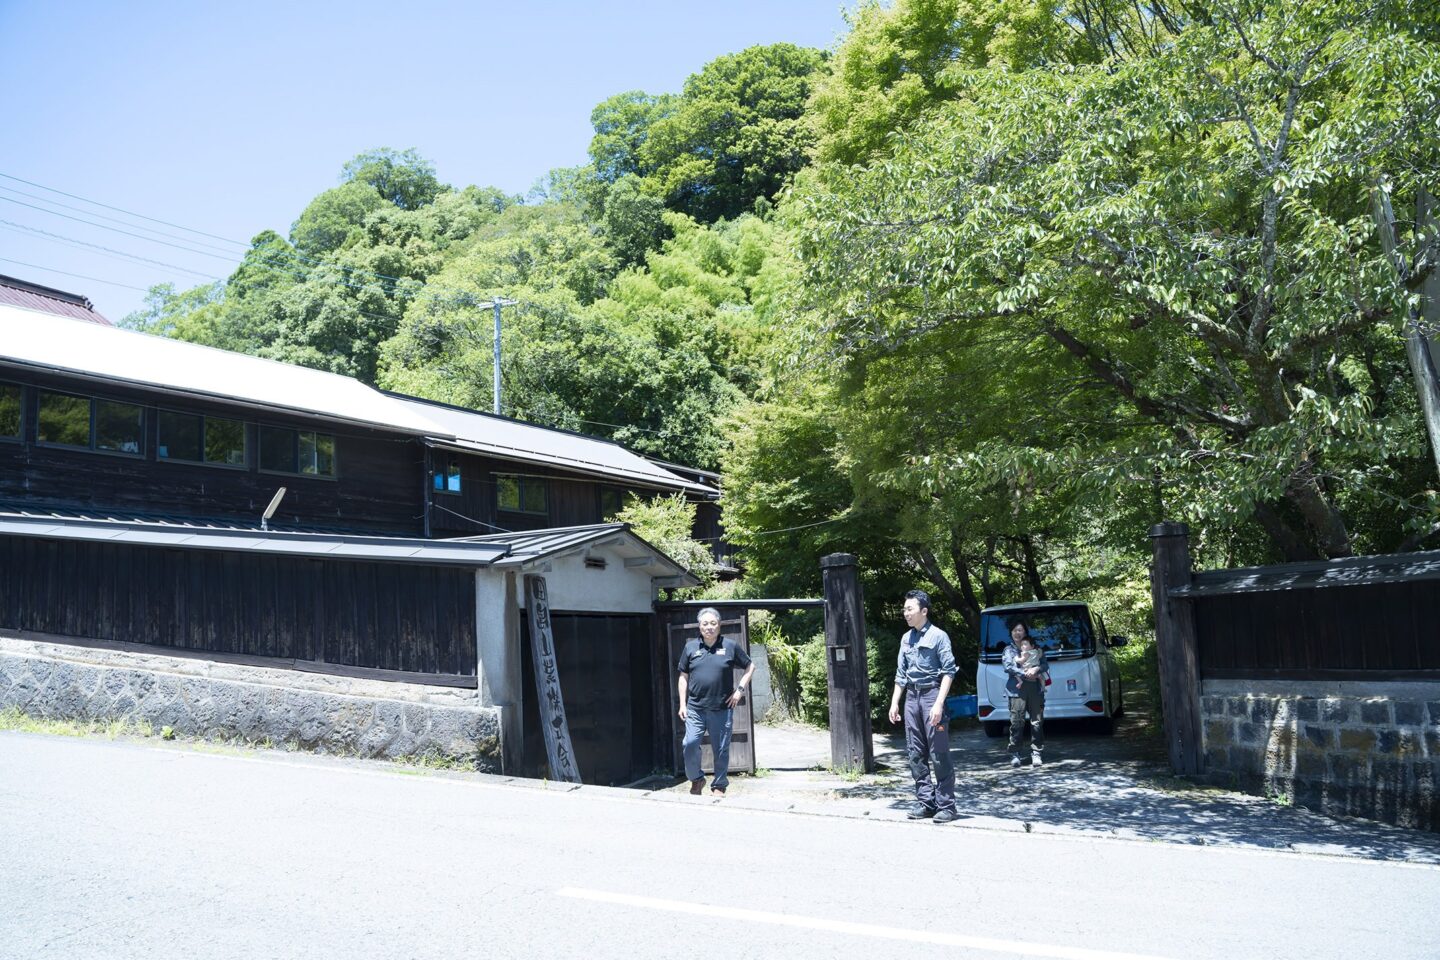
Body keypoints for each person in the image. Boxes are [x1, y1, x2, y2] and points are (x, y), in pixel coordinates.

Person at [887, 589, 959, 823]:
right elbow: (901, 674)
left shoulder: (939, 636)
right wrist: (895, 702)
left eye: (910, 609)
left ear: (924, 611)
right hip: (911, 698)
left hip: (932, 696)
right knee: (915, 753)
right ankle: (926, 803)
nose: (905, 613)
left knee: (939, 753)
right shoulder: (905, 639)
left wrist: (939, 703)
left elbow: (949, 672)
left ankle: (947, 806)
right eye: (905, 609)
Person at [677, 607, 754, 796]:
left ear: (719, 625)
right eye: (705, 623)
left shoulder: (730, 646)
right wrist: (682, 704)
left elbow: (750, 666)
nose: (709, 627)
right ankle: (697, 779)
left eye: (713, 623)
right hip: (695, 708)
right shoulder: (690, 647)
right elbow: (683, 676)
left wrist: (739, 691)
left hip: (721, 708)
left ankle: (719, 785)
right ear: (699, 626)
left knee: (721, 749)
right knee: (689, 744)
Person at [1002, 617, 1047, 767]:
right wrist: (1025, 673)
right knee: (1016, 722)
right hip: (1017, 690)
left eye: (1020, 630)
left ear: (1025, 632)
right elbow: (1008, 667)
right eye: (1015, 630)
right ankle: (1015, 753)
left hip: (1035, 689)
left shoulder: (1035, 647)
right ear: (1011, 633)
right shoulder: (1009, 650)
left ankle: (1037, 752)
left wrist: (1037, 668)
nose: (1017, 633)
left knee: (1037, 722)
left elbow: (1045, 664)